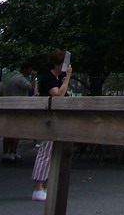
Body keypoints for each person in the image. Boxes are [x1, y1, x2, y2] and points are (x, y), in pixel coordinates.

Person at [31, 49, 72, 202]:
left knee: (52, 154)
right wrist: (67, 78)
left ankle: (46, 185)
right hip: (48, 119)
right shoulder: (48, 78)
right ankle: (38, 188)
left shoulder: (55, 78)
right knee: (45, 153)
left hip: (55, 119)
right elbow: (58, 95)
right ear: (56, 64)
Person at [3, 62, 34, 161]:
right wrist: (34, 78)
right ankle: (12, 151)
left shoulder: (14, 78)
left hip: (10, 107)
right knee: (16, 131)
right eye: (29, 69)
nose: (30, 72)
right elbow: (30, 87)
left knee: (8, 132)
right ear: (25, 69)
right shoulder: (21, 79)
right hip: (17, 108)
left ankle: (7, 152)